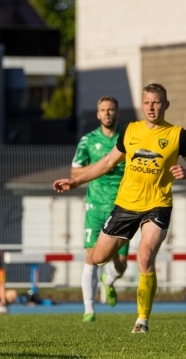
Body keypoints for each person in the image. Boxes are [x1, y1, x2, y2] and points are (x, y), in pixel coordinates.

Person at [53, 83, 186, 333]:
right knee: (98, 257)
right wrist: (75, 181)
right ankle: (108, 278)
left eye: (156, 102)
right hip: (125, 205)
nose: (151, 107)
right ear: (142, 104)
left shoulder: (178, 135)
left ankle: (142, 320)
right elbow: (107, 163)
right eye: (147, 102)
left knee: (145, 256)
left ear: (166, 105)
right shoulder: (130, 131)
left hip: (158, 205)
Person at [71, 96, 128, 322]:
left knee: (121, 263)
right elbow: (75, 172)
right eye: (103, 110)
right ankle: (88, 309)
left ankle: (110, 280)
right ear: (97, 114)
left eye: (111, 109)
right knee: (91, 256)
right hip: (95, 206)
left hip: (122, 206)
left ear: (117, 112)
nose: (107, 113)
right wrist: (103, 164)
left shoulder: (127, 137)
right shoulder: (88, 140)